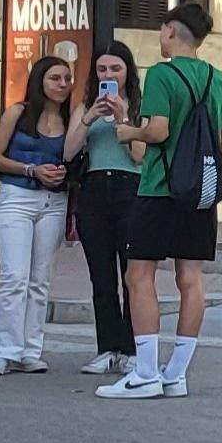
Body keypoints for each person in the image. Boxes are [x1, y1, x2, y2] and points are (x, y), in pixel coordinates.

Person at [100, 4, 222, 399]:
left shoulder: (162, 74)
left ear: (171, 30)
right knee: (190, 279)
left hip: (159, 188)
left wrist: (125, 131)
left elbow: (157, 131)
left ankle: (145, 371)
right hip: (200, 191)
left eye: (161, 30)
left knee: (138, 275)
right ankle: (176, 373)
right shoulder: (216, 78)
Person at [0, 53, 78, 375]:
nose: (62, 84)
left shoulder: (72, 119)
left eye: (66, 78)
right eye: (55, 78)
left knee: (40, 280)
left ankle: (30, 350)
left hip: (54, 202)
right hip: (16, 198)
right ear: (40, 81)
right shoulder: (18, 113)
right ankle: (0, 351)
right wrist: (31, 169)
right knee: (13, 277)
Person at [71, 42, 144, 377]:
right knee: (101, 276)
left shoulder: (140, 106)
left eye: (115, 69)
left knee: (133, 275)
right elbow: (68, 152)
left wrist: (123, 118)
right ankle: (106, 347)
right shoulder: (86, 105)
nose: (109, 75)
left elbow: (140, 155)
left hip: (130, 189)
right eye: (102, 70)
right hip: (95, 190)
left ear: (127, 71)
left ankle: (130, 348)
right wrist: (88, 118)